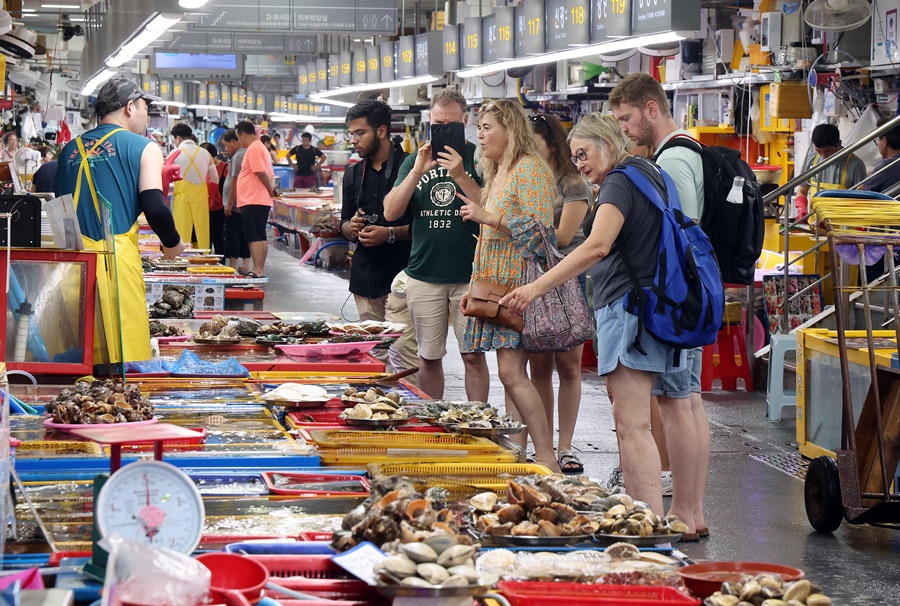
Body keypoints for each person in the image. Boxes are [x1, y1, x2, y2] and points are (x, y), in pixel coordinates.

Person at [501, 113, 686, 512]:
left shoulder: (619, 180)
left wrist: (536, 287)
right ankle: (667, 514)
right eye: (575, 156)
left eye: (583, 153)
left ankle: (646, 520)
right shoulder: (651, 173)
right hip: (662, 308)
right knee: (663, 413)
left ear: (605, 142)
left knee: (631, 423)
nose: (580, 163)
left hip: (630, 308)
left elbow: (594, 246)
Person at [610, 71, 711, 538]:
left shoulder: (672, 160)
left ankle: (686, 513)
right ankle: (690, 514)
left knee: (680, 402)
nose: (625, 128)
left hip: (671, 302)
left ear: (652, 108)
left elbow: (675, 237)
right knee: (683, 401)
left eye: (628, 118)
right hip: (685, 300)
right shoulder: (689, 150)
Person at [455, 98, 560, 473]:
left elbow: (540, 233)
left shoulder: (529, 170)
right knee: (510, 375)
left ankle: (546, 456)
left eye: (487, 128)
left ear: (510, 130)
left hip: (517, 286)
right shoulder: (500, 171)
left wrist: (489, 216)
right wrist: (475, 285)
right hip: (493, 286)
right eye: (479, 127)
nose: (479, 135)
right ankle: (518, 456)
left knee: (511, 373)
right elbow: (487, 241)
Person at [55, 76, 185, 365]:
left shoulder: (68, 151)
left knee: (78, 354)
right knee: (119, 358)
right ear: (129, 107)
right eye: (145, 109)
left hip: (72, 265)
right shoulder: (144, 146)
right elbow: (155, 206)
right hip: (116, 265)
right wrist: (173, 244)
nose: (146, 117)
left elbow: (63, 211)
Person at [383, 89, 489, 401]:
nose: (444, 131)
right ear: (430, 121)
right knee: (428, 357)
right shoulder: (415, 161)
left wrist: (459, 174)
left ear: (466, 121)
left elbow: (491, 208)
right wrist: (417, 171)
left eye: (451, 125)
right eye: (438, 124)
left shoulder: (479, 159)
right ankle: (433, 419)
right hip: (423, 274)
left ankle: (478, 419)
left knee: (472, 355)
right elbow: (391, 211)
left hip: (470, 276)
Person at [527, 113, 592, 474]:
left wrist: (514, 228)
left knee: (568, 365)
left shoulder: (574, 183)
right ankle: (544, 447)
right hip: (534, 278)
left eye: (532, 140)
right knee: (538, 366)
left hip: (569, 280)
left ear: (551, 142)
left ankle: (565, 447)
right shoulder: (527, 178)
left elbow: (564, 238)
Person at [340, 100, 418, 378]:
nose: (354, 140)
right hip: (365, 275)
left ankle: (412, 411)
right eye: (351, 133)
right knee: (370, 353)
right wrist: (352, 227)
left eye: (360, 133)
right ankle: (374, 410)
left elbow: (426, 226)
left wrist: (391, 234)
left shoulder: (412, 168)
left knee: (405, 352)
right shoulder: (352, 174)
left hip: (404, 274)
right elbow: (344, 223)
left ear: (382, 131)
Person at [794, 123, 866, 217]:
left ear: (839, 144)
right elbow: (802, 190)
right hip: (815, 226)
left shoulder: (855, 165)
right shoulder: (811, 160)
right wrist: (801, 208)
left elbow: (862, 202)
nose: (823, 156)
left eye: (828, 151)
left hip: (842, 228)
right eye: (818, 151)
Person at [167, 123, 218, 249]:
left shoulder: (175, 153)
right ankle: (203, 260)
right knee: (200, 231)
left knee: (182, 231)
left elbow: (164, 176)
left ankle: (182, 259)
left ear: (178, 138)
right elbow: (215, 178)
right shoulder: (206, 153)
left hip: (181, 200)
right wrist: (211, 197)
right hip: (201, 199)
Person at [235, 121, 275, 278]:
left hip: (253, 198)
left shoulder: (253, 149)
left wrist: (270, 189)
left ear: (243, 134)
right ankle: (259, 269)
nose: (239, 141)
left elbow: (260, 172)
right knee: (259, 235)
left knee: (254, 236)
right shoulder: (261, 148)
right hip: (258, 198)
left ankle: (257, 269)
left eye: (239, 137)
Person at [221, 129, 251, 274]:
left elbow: (235, 181)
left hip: (236, 205)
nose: (226, 149)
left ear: (234, 141)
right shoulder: (242, 154)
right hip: (240, 203)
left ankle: (233, 267)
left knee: (234, 236)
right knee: (243, 235)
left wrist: (229, 203)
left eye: (227, 145)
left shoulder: (239, 156)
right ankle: (244, 265)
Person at [201, 142, 227, 257]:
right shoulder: (201, 168)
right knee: (205, 238)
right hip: (203, 207)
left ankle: (221, 265)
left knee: (218, 238)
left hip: (219, 208)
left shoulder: (225, 168)